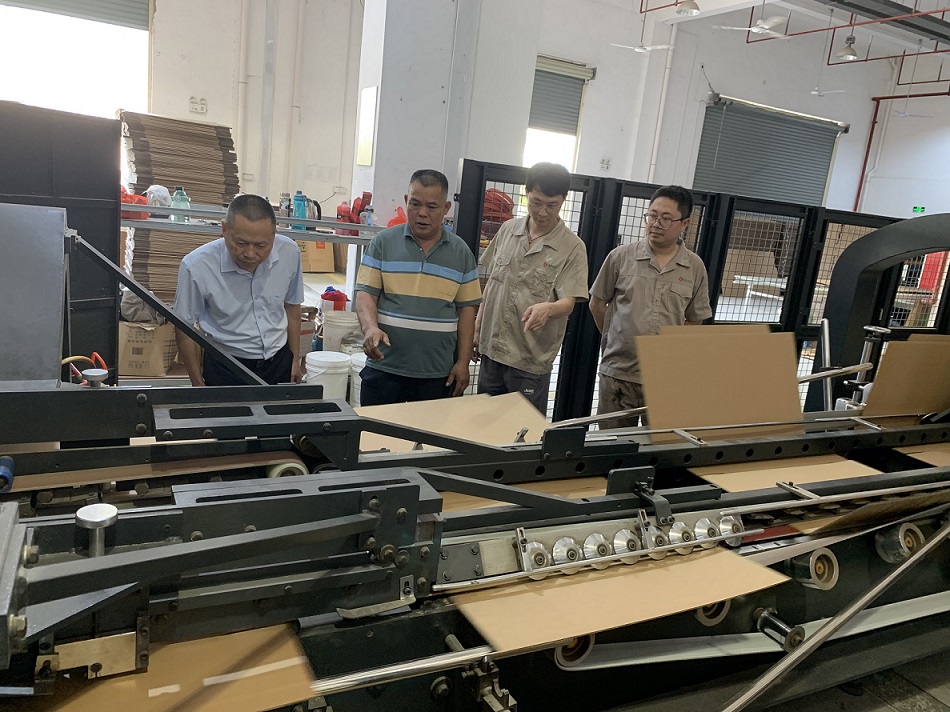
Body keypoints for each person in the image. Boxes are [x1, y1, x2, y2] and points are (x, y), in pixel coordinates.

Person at [354, 169, 481, 405]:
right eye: (415, 204)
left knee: (429, 429)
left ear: (446, 208)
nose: (422, 213)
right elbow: (365, 294)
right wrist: (370, 328)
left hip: (437, 374)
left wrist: (463, 362)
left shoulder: (461, 253)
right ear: (406, 201)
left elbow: (467, 311)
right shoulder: (383, 243)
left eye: (432, 207)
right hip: (384, 366)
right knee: (376, 428)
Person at [589, 185, 712, 427]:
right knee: (612, 442)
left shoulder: (694, 267)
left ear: (685, 223)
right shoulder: (620, 257)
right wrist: (614, 337)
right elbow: (597, 303)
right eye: (652, 216)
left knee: (658, 442)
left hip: (665, 377)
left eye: (666, 218)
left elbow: (695, 319)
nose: (656, 224)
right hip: (618, 373)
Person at [474, 162, 589, 414]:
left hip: (529, 358)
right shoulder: (508, 230)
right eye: (536, 202)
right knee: (482, 425)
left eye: (552, 205)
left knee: (522, 430)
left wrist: (549, 308)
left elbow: (569, 302)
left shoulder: (572, 247)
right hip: (492, 350)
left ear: (563, 200)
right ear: (526, 193)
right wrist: (477, 328)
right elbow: (492, 285)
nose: (542, 212)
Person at [173, 193, 304, 386]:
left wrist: (294, 359)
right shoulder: (197, 266)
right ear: (224, 229)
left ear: (274, 235)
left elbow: (292, 308)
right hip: (225, 366)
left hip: (278, 361)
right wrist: (197, 382)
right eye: (241, 243)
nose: (250, 254)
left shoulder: (289, 252)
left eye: (261, 245)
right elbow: (184, 327)